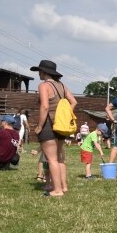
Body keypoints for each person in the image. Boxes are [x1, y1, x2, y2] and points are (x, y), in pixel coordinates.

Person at [31, 60, 78, 197]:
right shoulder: (62, 85)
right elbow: (74, 102)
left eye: (39, 70)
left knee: (51, 159)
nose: (39, 73)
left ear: (44, 72)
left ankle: (57, 190)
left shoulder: (44, 85)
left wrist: (39, 126)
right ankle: (63, 187)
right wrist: (64, 114)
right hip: (61, 126)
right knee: (59, 158)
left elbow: (44, 106)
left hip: (48, 125)